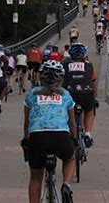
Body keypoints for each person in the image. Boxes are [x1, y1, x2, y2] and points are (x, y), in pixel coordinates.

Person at [22, 60, 76, 203]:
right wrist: (74, 139)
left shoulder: (32, 94)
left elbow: (27, 121)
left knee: (35, 177)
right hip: (61, 136)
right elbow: (72, 122)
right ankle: (66, 185)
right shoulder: (66, 95)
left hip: (37, 137)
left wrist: (26, 138)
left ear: (41, 77)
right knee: (70, 158)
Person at [62, 43, 97, 147]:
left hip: (70, 94)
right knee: (89, 110)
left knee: (66, 111)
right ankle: (88, 134)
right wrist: (95, 98)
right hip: (86, 93)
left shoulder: (65, 63)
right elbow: (93, 82)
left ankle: (69, 133)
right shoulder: (89, 64)